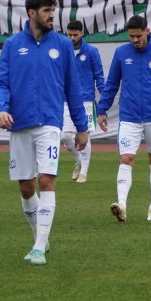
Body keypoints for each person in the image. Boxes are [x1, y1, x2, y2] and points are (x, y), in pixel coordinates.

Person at [0, 0, 88, 265]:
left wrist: (82, 126)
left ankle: (38, 246)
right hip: (20, 125)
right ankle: (40, 239)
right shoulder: (11, 45)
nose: (51, 16)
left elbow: (73, 88)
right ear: (32, 13)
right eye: (46, 11)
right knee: (25, 187)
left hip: (49, 123)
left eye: (53, 10)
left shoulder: (63, 45)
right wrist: (0, 109)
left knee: (46, 180)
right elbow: (1, 84)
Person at [97, 15, 151, 223]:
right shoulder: (121, 53)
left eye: (138, 36)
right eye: (131, 37)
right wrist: (102, 109)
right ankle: (122, 204)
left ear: (147, 31)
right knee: (126, 158)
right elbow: (112, 83)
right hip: (129, 117)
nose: (135, 40)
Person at [62, 21, 104, 184]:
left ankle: (84, 173)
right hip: (65, 99)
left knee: (84, 136)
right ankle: (79, 162)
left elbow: (99, 76)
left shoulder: (92, 52)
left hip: (86, 100)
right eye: (70, 34)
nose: (72, 38)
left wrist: (104, 99)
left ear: (82, 33)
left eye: (76, 34)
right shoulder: (63, 51)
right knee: (66, 136)